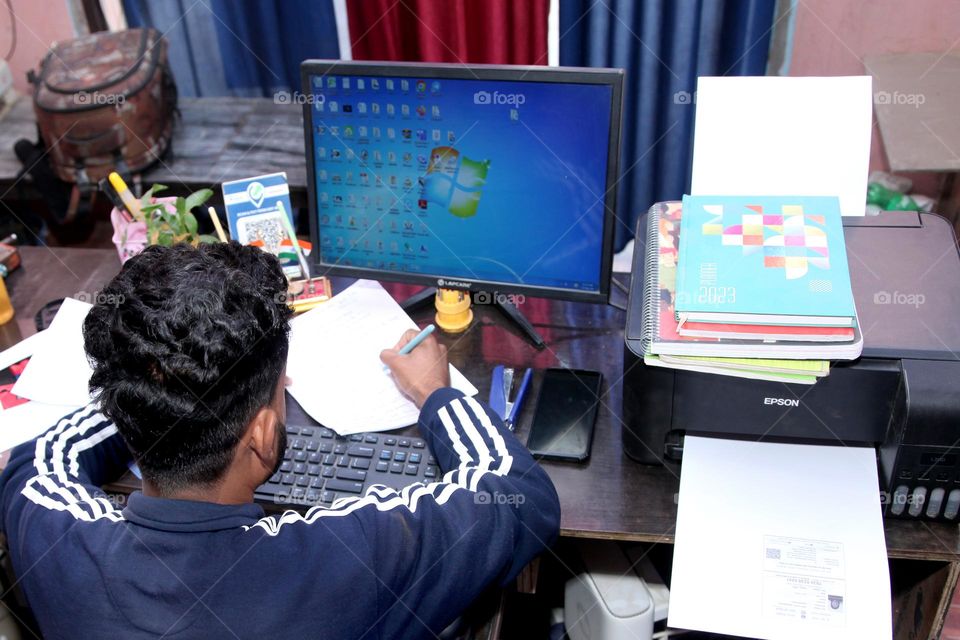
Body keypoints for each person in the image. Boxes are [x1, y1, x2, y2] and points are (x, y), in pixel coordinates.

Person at [0, 242, 560, 639]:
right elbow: (522, 497)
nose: (284, 391)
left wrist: (150, 391)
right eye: (279, 389)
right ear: (264, 435)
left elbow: (36, 462)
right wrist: (437, 395)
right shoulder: (351, 560)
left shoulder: (48, 535)